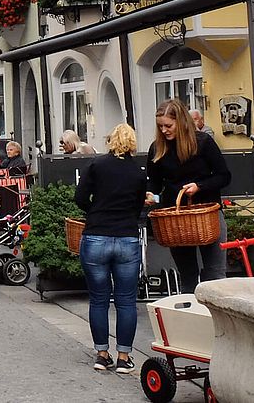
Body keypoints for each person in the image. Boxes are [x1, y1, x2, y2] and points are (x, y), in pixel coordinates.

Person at [75, 123, 147, 373]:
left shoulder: (96, 165)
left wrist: (95, 212)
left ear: (110, 140)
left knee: (99, 299)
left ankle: (102, 354)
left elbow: (80, 198)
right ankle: (124, 358)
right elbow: (139, 206)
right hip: (126, 237)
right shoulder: (138, 172)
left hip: (96, 236)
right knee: (126, 301)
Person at [147, 100, 231, 294]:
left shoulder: (203, 142)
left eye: (168, 126)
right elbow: (155, 181)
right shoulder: (157, 148)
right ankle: (191, 318)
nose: (164, 130)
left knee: (215, 275)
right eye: (161, 127)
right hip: (175, 219)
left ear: (181, 122)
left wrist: (200, 186)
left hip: (207, 213)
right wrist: (150, 192)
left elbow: (224, 176)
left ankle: (214, 318)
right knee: (187, 275)